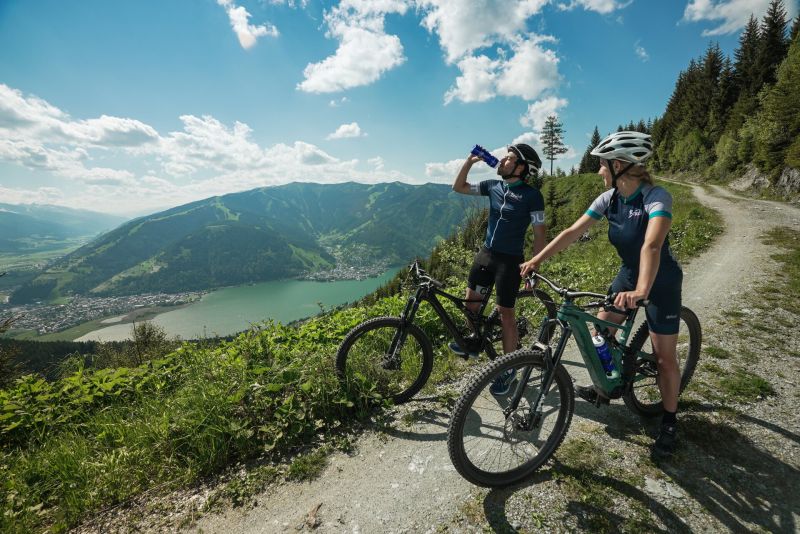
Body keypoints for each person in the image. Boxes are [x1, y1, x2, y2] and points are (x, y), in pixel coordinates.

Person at [520, 131, 683, 459]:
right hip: (627, 275)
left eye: (602, 165)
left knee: (664, 358)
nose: (599, 171)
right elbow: (572, 232)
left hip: (660, 282)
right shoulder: (609, 199)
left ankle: (669, 421)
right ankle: (607, 386)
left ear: (619, 165)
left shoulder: (656, 197)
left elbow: (652, 245)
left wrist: (642, 291)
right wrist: (536, 260)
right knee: (600, 335)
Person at [451, 143, 548, 395]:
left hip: (510, 261)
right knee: (471, 304)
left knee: (506, 314)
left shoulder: (532, 196)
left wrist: (534, 266)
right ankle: (474, 342)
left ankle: (509, 370)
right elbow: (458, 187)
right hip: (486, 255)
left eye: (510, 158)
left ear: (521, 168)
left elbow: (539, 234)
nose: (502, 160)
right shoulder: (493, 186)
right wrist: (469, 163)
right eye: (505, 157)